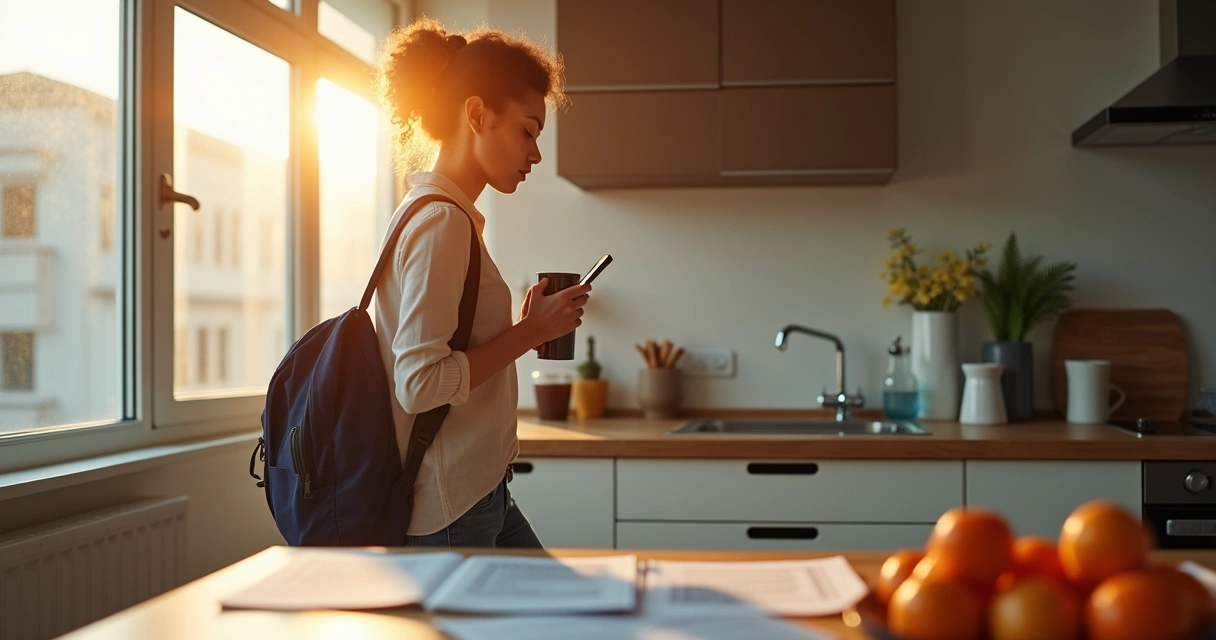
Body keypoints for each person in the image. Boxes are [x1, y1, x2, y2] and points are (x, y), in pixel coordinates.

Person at [370, 18, 587, 548]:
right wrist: (529, 335)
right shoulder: (442, 222)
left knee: (560, 616)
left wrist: (522, 328)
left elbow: (447, 351)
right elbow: (419, 384)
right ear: (476, 114)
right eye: (528, 131)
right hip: (451, 507)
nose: (535, 153)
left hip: (479, 492)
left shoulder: (434, 213)